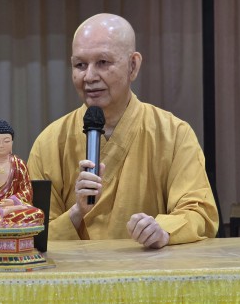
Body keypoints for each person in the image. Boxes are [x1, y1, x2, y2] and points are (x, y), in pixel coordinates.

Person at [27, 14, 218, 249]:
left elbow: (200, 213)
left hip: (148, 270)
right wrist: (76, 212)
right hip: (74, 271)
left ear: (133, 66)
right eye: (80, 65)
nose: (89, 77)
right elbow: (31, 230)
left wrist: (162, 231)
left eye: (103, 62)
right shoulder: (50, 142)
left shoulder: (173, 134)